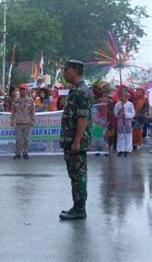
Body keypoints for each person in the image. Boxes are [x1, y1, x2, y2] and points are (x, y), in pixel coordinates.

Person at [59, 60, 92, 220]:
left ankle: (80, 210)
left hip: (76, 142)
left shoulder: (82, 91)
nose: (65, 73)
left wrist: (77, 141)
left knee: (78, 175)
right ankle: (77, 207)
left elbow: (82, 118)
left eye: (67, 70)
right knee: (75, 175)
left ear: (74, 71)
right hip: (71, 141)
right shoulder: (76, 90)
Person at [11, 84, 35, 160]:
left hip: (27, 122)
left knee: (26, 139)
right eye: (21, 89)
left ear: (26, 90)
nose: (22, 91)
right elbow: (13, 111)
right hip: (18, 122)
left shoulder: (30, 100)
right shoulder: (16, 100)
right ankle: (17, 153)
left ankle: (25, 153)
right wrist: (12, 119)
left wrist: (32, 120)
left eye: (23, 89)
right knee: (18, 139)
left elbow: (32, 111)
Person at [114, 90, 135, 157]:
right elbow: (115, 113)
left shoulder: (130, 104)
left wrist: (126, 114)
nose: (122, 98)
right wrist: (120, 111)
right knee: (121, 136)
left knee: (128, 135)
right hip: (120, 121)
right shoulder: (118, 104)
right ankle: (120, 150)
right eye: (121, 96)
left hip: (127, 121)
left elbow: (133, 113)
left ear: (126, 97)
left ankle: (127, 150)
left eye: (124, 96)